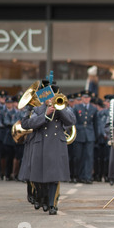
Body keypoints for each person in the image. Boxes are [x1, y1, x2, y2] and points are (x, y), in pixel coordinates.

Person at [21, 80, 76, 215]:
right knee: (39, 177)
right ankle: (43, 199)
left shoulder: (63, 105)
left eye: (53, 96)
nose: (51, 99)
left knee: (53, 177)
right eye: (49, 96)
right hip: (40, 144)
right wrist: (45, 114)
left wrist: (59, 109)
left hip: (56, 144)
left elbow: (71, 121)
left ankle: (52, 204)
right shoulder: (37, 108)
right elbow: (26, 123)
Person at [73, 90, 98, 184]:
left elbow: (95, 123)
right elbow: (74, 122)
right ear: (82, 98)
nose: (86, 99)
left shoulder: (93, 108)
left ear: (90, 98)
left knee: (89, 156)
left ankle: (87, 176)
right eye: (84, 97)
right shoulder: (76, 107)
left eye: (87, 98)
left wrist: (96, 136)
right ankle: (79, 175)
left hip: (90, 135)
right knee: (78, 156)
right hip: (79, 134)